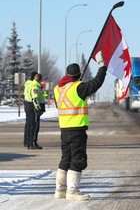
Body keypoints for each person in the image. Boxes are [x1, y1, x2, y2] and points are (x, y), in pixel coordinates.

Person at [53, 51, 107, 200]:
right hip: (77, 129)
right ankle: (72, 191)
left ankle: (59, 190)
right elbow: (97, 82)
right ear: (78, 76)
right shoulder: (79, 87)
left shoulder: (58, 89)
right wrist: (102, 65)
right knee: (77, 159)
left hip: (64, 129)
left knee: (66, 158)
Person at [27, 73, 45, 150]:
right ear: (40, 80)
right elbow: (35, 99)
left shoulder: (32, 84)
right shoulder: (35, 86)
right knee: (35, 126)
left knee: (33, 126)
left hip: (30, 107)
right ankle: (33, 143)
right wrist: (38, 109)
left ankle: (31, 142)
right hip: (34, 108)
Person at [24, 71, 38, 147]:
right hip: (31, 104)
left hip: (26, 103)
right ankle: (30, 143)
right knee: (33, 124)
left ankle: (26, 141)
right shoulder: (34, 85)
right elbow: (35, 97)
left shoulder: (27, 83)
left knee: (28, 124)